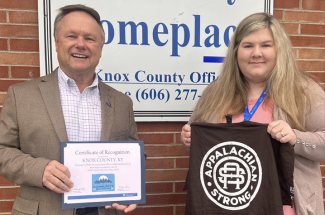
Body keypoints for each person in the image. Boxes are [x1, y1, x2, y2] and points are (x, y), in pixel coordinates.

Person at [181, 12, 324, 215]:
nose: (256, 53)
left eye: (266, 45)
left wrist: (295, 138)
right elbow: (205, 151)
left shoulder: (303, 90)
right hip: (225, 207)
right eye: (248, 46)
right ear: (236, 51)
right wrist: (189, 140)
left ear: (279, 49)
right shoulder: (215, 93)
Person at [0, 4, 138, 215]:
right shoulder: (21, 96)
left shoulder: (122, 103)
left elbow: (132, 153)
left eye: (90, 39)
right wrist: (39, 170)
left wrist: (129, 187)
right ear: (56, 43)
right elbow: (2, 150)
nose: (80, 44)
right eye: (71, 36)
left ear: (100, 47)